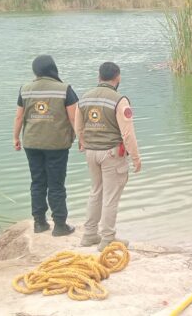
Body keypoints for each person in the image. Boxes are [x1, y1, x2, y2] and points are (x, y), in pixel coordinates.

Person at [75, 62, 142, 251]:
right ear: (118, 77)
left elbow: (78, 125)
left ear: (99, 77)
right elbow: (127, 134)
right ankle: (107, 239)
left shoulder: (85, 98)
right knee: (111, 197)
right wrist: (136, 158)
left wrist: (82, 141)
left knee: (95, 191)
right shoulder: (120, 101)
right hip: (111, 154)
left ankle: (89, 235)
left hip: (91, 152)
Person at [13, 55, 77, 236]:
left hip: (31, 143)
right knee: (56, 184)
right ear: (53, 69)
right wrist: (83, 139)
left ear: (36, 71)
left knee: (37, 181)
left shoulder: (25, 90)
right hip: (56, 144)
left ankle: (39, 223)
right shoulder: (65, 89)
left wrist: (15, 138)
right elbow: (74, 118)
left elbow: (19, 116)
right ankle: (59, 225)